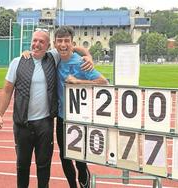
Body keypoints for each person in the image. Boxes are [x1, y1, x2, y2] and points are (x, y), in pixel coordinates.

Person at [0, 29, 93, 188]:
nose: (37, 44)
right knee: (22, 166)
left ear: (48, 46)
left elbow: (74, 47)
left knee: (43, 167)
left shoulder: (53, 57)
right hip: (22, 125)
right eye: (35, 40)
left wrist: (88, 56)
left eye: (41, 42)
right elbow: (7, 90)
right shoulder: (17, 62)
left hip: (44, 125)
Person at [54, 26, 108, 188]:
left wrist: (79, 82)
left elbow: (103, 82)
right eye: (60, 41)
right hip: (62, 118)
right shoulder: (54, 58)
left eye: (67, 41)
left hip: (79, 119)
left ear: (72, 43)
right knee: (64, 158)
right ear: (55, 43)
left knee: (80, 161)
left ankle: (84, 184)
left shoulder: (80, 63)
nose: (63, 44)